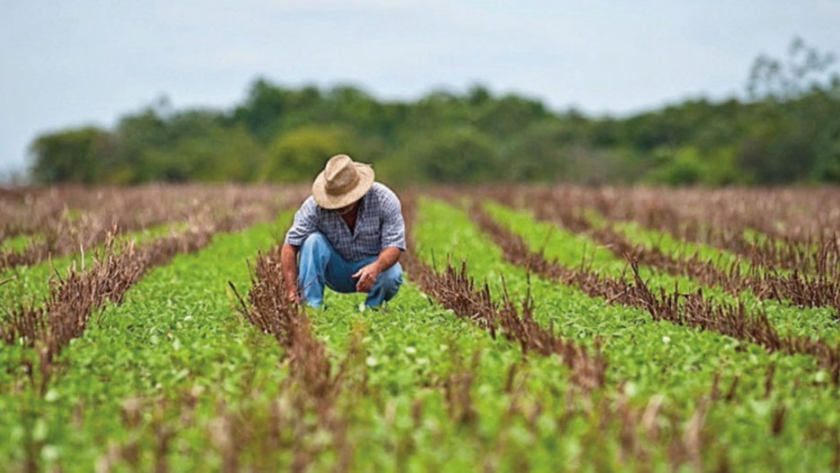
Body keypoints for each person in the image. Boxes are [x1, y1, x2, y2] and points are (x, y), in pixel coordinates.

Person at [280, 154, 405, 309]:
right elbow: (290, 246)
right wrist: (291, 289)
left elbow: (394, 246)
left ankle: (372, 309)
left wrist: (376, 267)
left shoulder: (384, 199)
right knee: (312, 242)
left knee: (392, 274)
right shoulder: (313, 207)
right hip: (335, 269)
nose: (340, 205)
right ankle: (311, 308)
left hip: (372, 266)